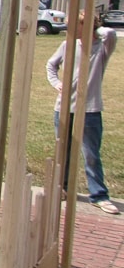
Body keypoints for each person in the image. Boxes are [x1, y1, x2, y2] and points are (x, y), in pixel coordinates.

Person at [46, 11, 119, 214]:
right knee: (63, 152)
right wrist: (57, 83)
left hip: (90, 110)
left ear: (85, 27)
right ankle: (63, 189)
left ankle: (99, 196)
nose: (68, 29)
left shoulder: (102, 47)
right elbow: (51, 65)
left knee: (91, 155)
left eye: (73, 25)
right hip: (63, 108)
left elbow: (111, 33)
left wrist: (94, 28)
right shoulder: (68, 45)